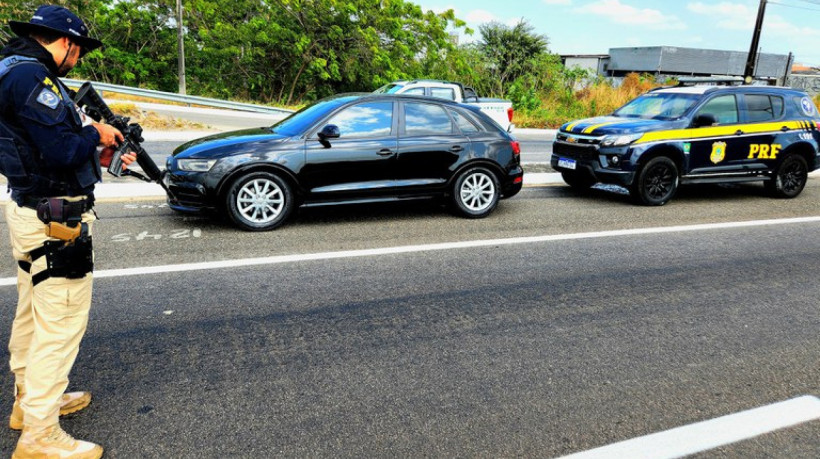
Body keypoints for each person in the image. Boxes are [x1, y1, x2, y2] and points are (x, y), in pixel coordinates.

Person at [1, 5, 135, 458]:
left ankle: (28, 402)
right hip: (54, 221)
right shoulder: (31, 80)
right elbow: (59, 149)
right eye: (77, 53)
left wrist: (94, 150)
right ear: (66, 43)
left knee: (32, 312)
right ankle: (39, 434)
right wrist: (98, 132)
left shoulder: (10, 70)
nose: (76, 62)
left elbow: (36, 147)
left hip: (31, 207)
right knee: (59, 323)